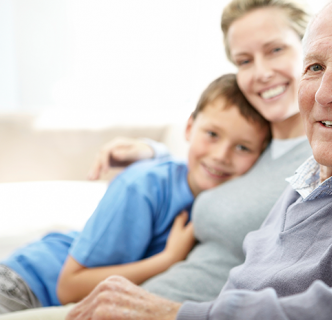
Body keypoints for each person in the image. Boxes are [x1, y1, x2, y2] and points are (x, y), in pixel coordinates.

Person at [0, 0, 332, 319]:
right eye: (315, 67)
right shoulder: (297, 160)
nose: (325, 92)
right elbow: (202, 160)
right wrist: (154, 154)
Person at [0, 74, 271, 314]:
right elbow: (68, 287)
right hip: (23, 284)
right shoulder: (142, 186)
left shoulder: (228, 200)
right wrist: (166, 260)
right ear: (189, 128)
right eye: (212, 134)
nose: (221, 155)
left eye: (243, 148)